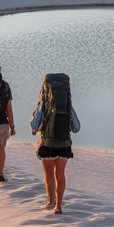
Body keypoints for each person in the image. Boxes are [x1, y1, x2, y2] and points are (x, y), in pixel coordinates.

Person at [30, 72, 79, 214]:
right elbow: (77, 128)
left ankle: (51, 201)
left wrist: (35, 130)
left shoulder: (44, 104)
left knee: (49, 175)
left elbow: (34, 125)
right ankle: (58, 205)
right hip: (64, 145)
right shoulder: (68, 106)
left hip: (47, 144)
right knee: (60, 174)